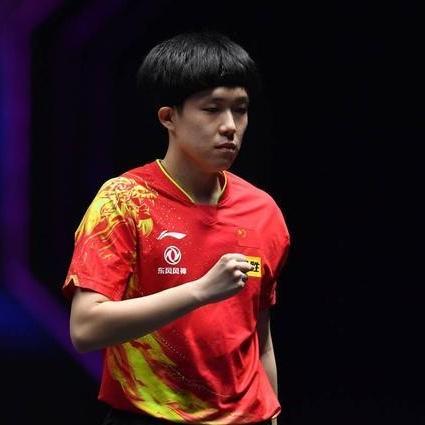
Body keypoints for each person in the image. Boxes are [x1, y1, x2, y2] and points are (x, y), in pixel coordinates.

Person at [63, 31, 290, 425]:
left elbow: (259, 339)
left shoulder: (263, 211)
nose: (230, 126)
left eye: (240, 110)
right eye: (212, 109)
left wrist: (273, 411)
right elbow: (86, 328)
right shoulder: (124, 201)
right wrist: (200, 291)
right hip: (150, 415)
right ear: (169, 118)